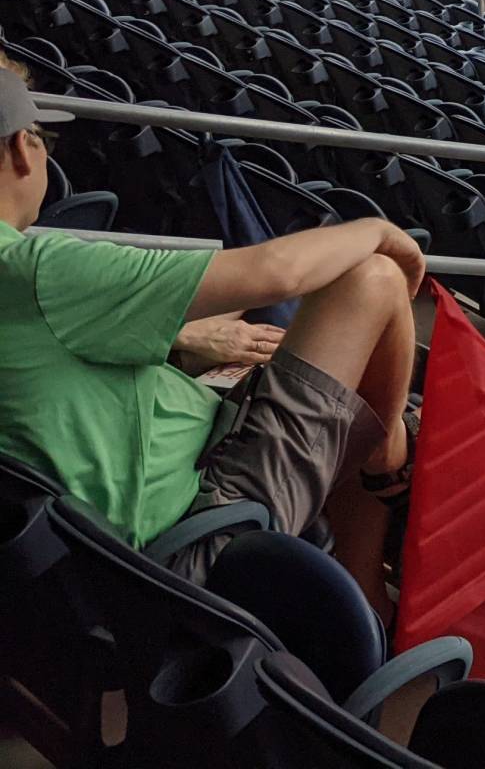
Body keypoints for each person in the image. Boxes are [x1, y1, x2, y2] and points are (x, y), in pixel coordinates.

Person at [0, 67, 421, 602]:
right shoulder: (36, 271)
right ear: (21, 148)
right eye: (45, 138)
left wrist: (183, 344)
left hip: (86, 558)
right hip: (200, 538)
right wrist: (380, 231)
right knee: (374, 280)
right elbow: (277, 273)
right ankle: (384, 470)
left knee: (295, 359)